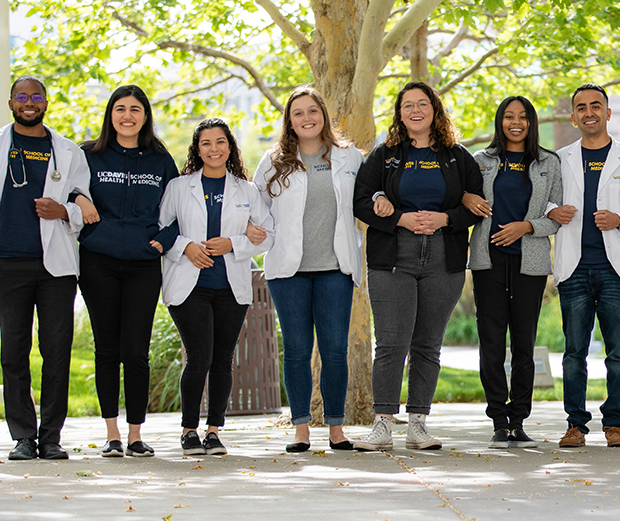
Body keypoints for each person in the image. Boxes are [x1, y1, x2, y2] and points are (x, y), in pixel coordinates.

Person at [0, 76, 91, 461]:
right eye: (22, 97)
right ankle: (22, 436)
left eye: (36, 97)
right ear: (11, 102)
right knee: (13, 351)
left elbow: (85, 206)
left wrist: (61, 210)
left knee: (57, 349)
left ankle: (50, 437)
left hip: (58, 266)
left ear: (47, 102)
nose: (29, 102)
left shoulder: (68, 151)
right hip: (9, 261)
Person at [352, 81, 482, 451]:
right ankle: (382, 424)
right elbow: (361, 201)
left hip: (445, 258)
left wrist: (446, 219)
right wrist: (399, 220)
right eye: (407, 105)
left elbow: (476, 203)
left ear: (434, 110)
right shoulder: (385, 155)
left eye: (422, 103)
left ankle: (418, 425)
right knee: (391, 343)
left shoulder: (458, 156)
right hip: (392, 259)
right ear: (399, 113)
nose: (415, 110)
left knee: (428, 344)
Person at [253, 87, 364, 453]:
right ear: (290, 120)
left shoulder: (348, 158)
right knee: (298, 350)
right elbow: (257, 208)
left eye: (312, 111)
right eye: (297, 113)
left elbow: (366, 199)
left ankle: (336, 427)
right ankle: (301, 427)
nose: (306, 118)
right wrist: (256, 233)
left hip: (335, 267)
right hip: (289, 270)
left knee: (334, 349)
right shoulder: (273, 161)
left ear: (323, 114)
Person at [73, 85, 179, 458]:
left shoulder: (160, 159)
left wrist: (163, 240)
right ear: (110, 114)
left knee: (136, 351)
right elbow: (65, 187)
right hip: (98, 261)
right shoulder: (88, 155)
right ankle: (112, 434)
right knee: (107, 349)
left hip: (142, 265)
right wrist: (79, 197)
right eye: (120, 108)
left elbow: (178, 208)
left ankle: (136, 434)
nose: (127, 115)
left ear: (145, 116)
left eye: (135, 109)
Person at [159, 118, 274, 456]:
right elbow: (160, 227)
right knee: (199, 357)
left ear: (230, 147)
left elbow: (267, 234)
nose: (213, 149)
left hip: (231, 287)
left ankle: (213, 431)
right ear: (197, 149)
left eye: (220, 142)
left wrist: (235, 244)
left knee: (223, 360)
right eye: (206, 143)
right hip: (188, 285)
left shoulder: (247, 190)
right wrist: (185, 247)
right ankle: (189, 430)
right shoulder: (180, 188)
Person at [464, 96, 563, 449]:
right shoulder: (482, 161)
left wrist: (525, 226)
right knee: (491, 341)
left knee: (524, 341)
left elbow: (557, 216)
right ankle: (497, 419)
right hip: (488, 261)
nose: (516, 122)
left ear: (531, 122)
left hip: (530, 262)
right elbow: (463, 196)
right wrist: (464, 198)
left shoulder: (548, 163)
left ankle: (518, 419)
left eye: (523, 117)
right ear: (499, 121)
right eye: (509, 116)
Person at [553, 83, 620, 448]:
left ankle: (615, 425)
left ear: (608, 113)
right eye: (581, 107)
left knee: (618, 352)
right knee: (574, 352)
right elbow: (544, 202)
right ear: (574, 116)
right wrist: (552, 212)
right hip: (574, 268)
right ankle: (575, 424)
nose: (589, 112)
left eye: (596, 106)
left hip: (616, 269)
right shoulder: (560, 158)